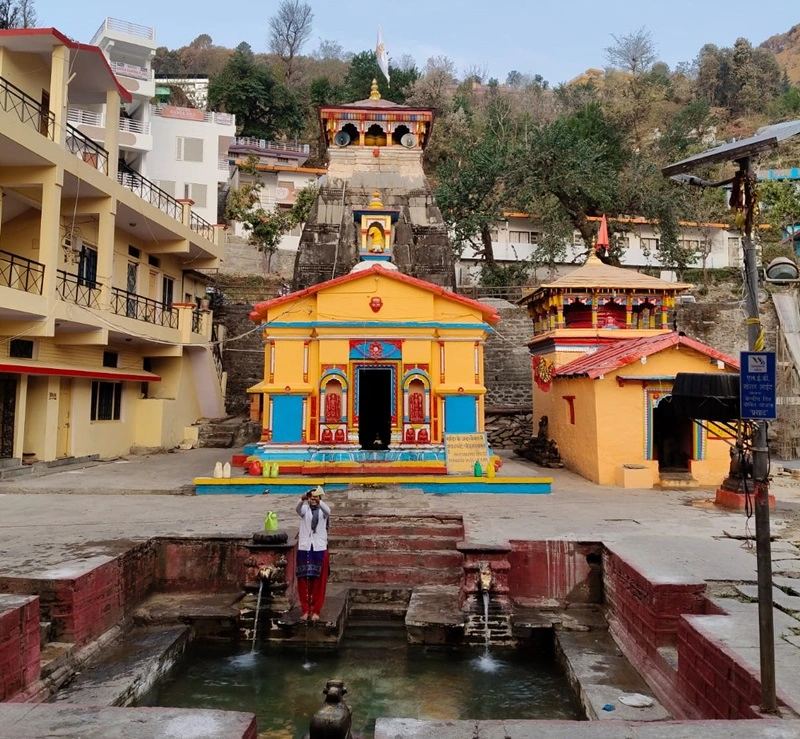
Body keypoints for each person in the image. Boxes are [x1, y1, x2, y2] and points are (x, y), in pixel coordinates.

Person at [296, 485, 331, 622]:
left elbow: (328, 510)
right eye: (311, 498)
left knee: (319, 581)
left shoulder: (323, 512)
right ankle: (305, 610)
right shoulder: (305, 510)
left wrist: (319, 500)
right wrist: (302, 499)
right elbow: (297, 509)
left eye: (315, 497)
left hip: (319, 548)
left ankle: (316, 610)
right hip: (305, 547)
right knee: (303, 580)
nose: (312, 500)